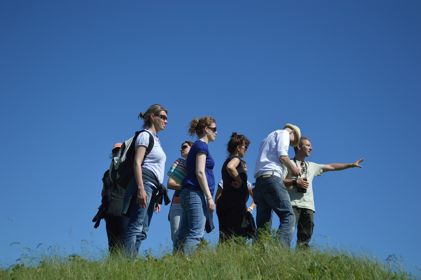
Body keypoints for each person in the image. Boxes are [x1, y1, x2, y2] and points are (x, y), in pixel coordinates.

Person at [285, 136, 364, 248]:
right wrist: (295, 182)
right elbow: (280, 181)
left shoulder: (311, 166)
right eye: (308, 145)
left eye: (310, 146)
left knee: (305, 239)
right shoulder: (288, 163)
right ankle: (282, 254)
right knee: (287, 232)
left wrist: (350, 165)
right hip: (292, 205)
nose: (311, 148)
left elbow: (331, 166)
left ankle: (301, 259)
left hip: (308, 207)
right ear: (298, 146)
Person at [122, 104, 168, 258]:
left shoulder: (156, 139)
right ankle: (127, 265)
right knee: (136, 225)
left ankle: (132, 262)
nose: (165, 121)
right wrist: (141, 188)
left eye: (166, 118)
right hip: (145, 182)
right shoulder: (144, 135)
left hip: (153, 187)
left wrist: (156, 198)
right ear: (152, 117)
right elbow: (137, 162)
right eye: (162, 117)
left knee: (143, 230)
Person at [253, 123, 302, 247]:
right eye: (293, 142)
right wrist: (294, 169)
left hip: (259, 181)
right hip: (272, 177)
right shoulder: (284, 134)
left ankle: (257, 255)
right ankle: (279, 252)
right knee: (289, 216)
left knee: (263, 224)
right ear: (292, 133)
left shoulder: (267, 138)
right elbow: (283, 156)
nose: (291, 145)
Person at [177, 116, 217, 255]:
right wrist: (209, 198)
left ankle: (175, 267)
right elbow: (200, 172)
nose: (216, 132)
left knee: (183, 234)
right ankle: (186, 268)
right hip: (195, 193)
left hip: (189, 193)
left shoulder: (196, 146)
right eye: (214, 129)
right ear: (206, 130)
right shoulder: (201, 146)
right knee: (196, 233)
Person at [216, 133, 254, 242]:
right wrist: (240, 180)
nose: (246, 150)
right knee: (237, 236)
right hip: (234, 205)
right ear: (238, 147)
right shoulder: (236, 159)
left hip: (226, 204)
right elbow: (230, 167)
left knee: (226, 237)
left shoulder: (226, 161)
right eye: (245, 147)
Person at [92, 143, 129, 253]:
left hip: (124, 211)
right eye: (115, 150)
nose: (117, 152)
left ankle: (126, 267)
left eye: (120, 150)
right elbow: (104, 192)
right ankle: (114, 266)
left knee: (124, 242)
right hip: (110, 212)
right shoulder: (107, 173)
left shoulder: (129, 170)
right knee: (112, 244)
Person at [167, 140, 193, 253]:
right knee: (177, 237)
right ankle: (177, 264)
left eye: (184, 146)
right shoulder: (180, 162)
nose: (181, 149)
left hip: (192, 203)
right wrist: (187, 186)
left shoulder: (199, 164)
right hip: (178, 203)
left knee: (191, 236)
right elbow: (170, 183)